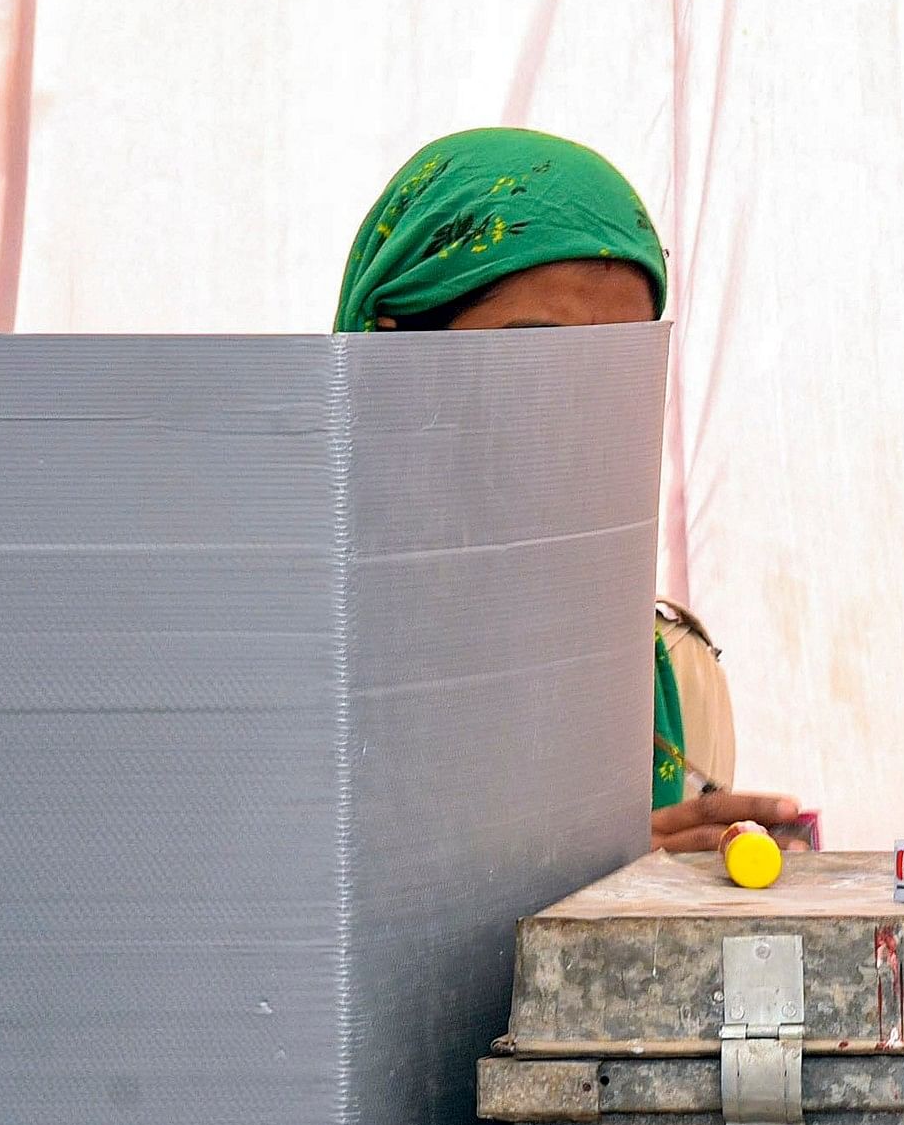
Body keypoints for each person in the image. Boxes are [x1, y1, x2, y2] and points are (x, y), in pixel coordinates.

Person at [335, 127, 805, 855]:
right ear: (393, 352)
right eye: (531, 355)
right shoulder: (281, 654)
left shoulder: (669, 680)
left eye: (615, 367)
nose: (573, 411)